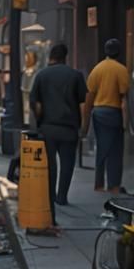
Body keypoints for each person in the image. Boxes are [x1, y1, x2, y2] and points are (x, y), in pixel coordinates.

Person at [30, 43, 88, 225]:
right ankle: (62, 196)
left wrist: (39, 121)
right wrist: (83, 128)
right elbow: (83, 105)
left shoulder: (41, 75)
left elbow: (36, 104)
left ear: (50, 57)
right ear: (65, 57)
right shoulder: (75, 76)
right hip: (69, 128)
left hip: (48, 128)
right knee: (67, 164)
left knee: (50, 166)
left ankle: (50, 196)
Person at [83, 37, 130, 194]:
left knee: (101, 147)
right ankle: (114, 185)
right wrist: (126, 122)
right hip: (113, 112)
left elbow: (90, 95)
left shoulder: (97, 69)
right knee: (115, 150)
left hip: (98, 112)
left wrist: (86, 119)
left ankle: (98, 184)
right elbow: (123, 98)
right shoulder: (121, 70)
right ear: (119, 52)